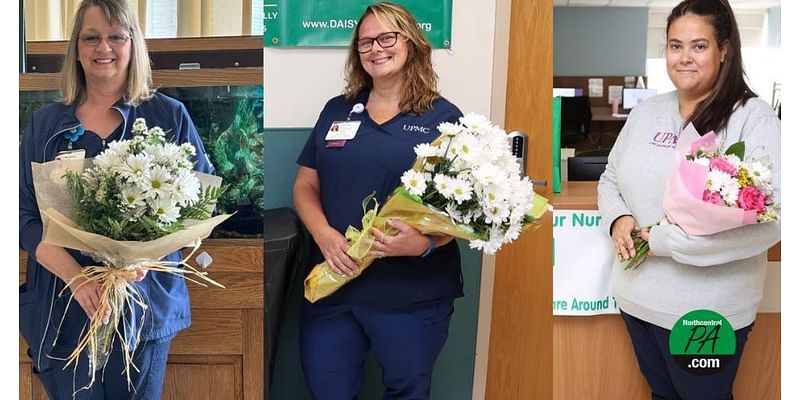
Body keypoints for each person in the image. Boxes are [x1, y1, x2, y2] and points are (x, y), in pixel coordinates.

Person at [19, 0, 214, 398]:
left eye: (115, 37)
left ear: (132, 44)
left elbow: (202, 203)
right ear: (76, 47)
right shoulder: (46, 124)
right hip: (62, 306)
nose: (102, 48)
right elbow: (22, 216)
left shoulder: (169, 116)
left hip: (144, 304)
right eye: (91, 37)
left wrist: (145, 256)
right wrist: (77, 278)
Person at [597, 0, 780, 399]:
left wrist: (664, 242)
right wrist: (618, 218)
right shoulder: (646, 113)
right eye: (675, 46)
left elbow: (775, 220)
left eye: (698, 46)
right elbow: (610, 177)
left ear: (724, 51)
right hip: (637, 301)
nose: (684, 58)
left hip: (704, 314)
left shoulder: (753, 118)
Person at [292, 3, 463, 399]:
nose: (375, 48)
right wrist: (324, 235)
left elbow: (463, 210)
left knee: (407, 391)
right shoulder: (337, 110)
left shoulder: (444, 118)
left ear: (411, 44)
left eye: (387, 37)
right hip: (335, 283)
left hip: (411, 294)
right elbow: (304, 185)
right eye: (366, 41)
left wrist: (423, 245)